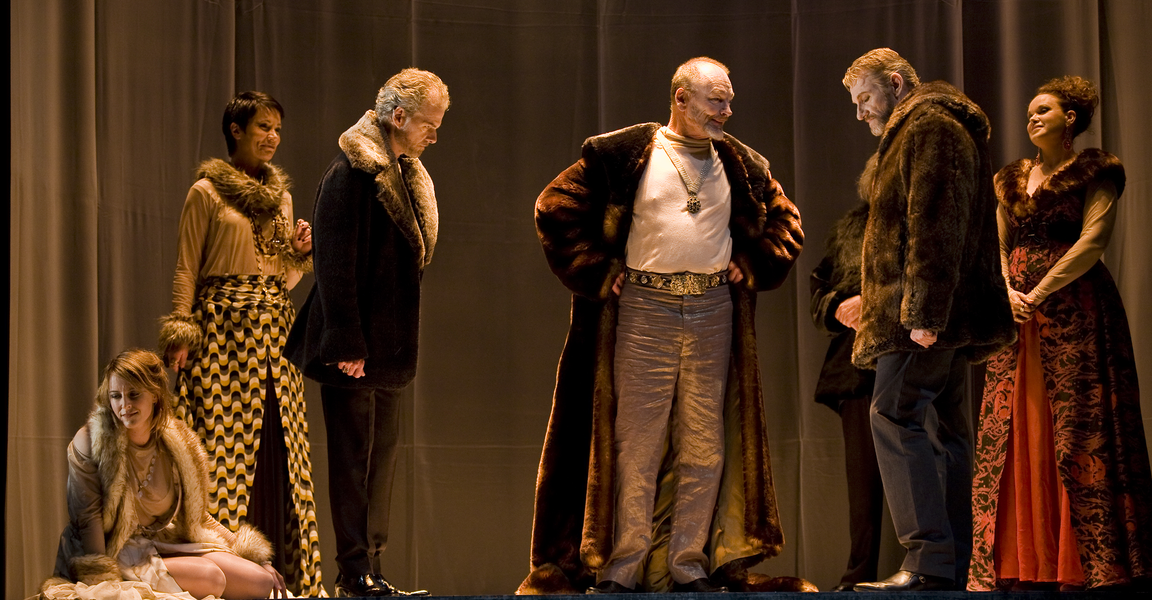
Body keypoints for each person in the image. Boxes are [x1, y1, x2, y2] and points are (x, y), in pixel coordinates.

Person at [518, 57, 805, 595]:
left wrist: (759, 260)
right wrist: (600, 272)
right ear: (681, 99)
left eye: (728, 99)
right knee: (635, 442)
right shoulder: (623, 154)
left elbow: (788, 222)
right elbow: (554, 206)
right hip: (644, 311)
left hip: (712, 309)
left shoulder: (742, 163)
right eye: (716, 100)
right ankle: (622, 568)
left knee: (704, 445)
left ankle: (688, 564)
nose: (727, 110)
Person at [968, 76, 1152, 591]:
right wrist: (1007, 291)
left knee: (1078, 423)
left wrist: (1041, 290)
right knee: (1017, 422)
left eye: (1043, 110)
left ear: (1070, 118)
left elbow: (1093, 240)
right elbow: (997, 243)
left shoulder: (1096, 171)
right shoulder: (1010, 178)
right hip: (1017, 317)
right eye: (1029, 111)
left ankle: (1086, 563)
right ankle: (1022, 562)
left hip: (1076, 310)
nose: (1032, 118)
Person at [841, 48, 1015, 592]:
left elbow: (937, 220)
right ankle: (948, 566)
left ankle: (928, 560)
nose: (861, 112)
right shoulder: (928, 126)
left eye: (866, 97)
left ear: (895, 83)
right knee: (947, 432)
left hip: (919, 315)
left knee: (893, 416)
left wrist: (924, 313)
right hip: (933, 313)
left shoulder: (932, 125)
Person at [285, 68, 448, 598]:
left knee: (382, 463)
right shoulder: (350, 174)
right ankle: (353, 572)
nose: (433, 135)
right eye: (428, 123)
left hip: (390, 349)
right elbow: (333, 266)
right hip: (354, 349)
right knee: (354, 463)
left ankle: (372, 568)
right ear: (397, 116)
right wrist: (348, 344)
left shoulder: (406, 174)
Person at [157, 91, 323, 596]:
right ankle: (224, 574)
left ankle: (285, 580)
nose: (272, 138)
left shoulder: (281, 197)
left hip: (274, 332)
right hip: (224, 332)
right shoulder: (206, 192)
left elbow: (283, 279)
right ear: (236, 130)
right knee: (223, 448)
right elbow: (188, 267)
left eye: (277, 129)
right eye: (263, 128)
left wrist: (296, 256)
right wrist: (181, 333)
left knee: (280, 448)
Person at [42, 349, 286, 600]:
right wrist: (102, 579)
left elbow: (198, 515)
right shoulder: (92, 441)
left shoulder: (178, 442)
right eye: (116, 396)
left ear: (155, 395)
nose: (124, 406)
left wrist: (253, 555)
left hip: (167, 541)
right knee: (211, 578)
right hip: (117, 549)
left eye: (134, 395)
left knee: (261, 581)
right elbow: (89, 518)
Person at [809, 198, 885, 592]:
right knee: (864, 478)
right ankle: (859, 575)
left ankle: (940, 568)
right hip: (858, 366)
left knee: (932, 466)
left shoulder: (928, 220)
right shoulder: (852, 228)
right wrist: (839, 305)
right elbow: (821, 287)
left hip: (919, 357)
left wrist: (875, 303)